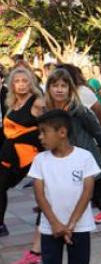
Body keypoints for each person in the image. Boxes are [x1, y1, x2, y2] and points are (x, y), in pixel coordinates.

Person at [11, 68, 101, 264]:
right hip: (58, 164)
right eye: (55, 85)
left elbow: (97, 131)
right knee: (47, 205)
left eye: (64, 86)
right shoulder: (45, 111)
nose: (60, 89)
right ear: (49, 88)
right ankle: (36, 251)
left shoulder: (79, 109)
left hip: (87, 163)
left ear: (70, 88)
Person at [29, 109, 100, 264]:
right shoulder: (40, 160)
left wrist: (70, 223)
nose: (40, 137)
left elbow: (87, 191)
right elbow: (40, 195)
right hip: (51, 229)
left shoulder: (84, 157)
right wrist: (56, 224)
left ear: (62, 132)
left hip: (79, 226)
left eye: (43, 132)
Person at [0, 65, 45, 237]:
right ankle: (1, 225)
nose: (20, 84)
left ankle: (46, 226)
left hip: (29, 156)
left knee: (44, 191)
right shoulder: (11, 103)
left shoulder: (37, 102)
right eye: (17, 81)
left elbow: (47, 127)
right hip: (8, 153)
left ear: (31, 83)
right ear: (12, 84)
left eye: (24, 81)